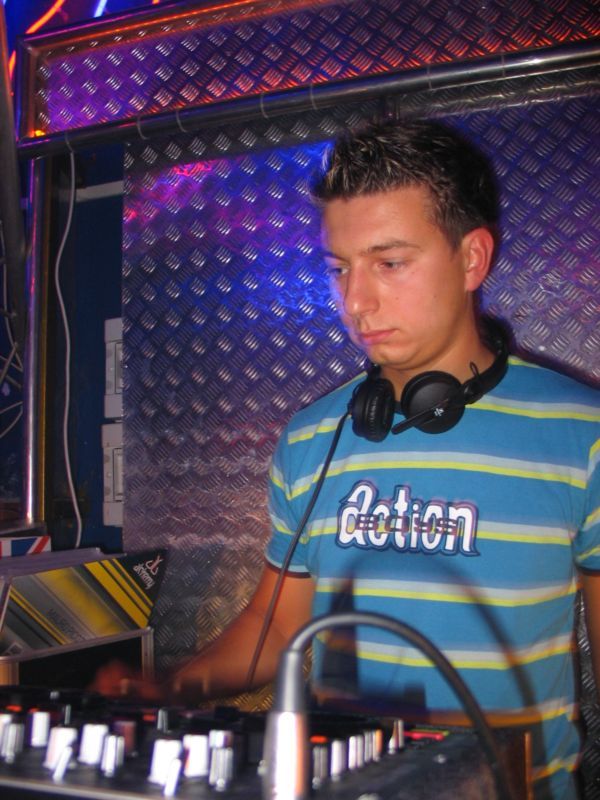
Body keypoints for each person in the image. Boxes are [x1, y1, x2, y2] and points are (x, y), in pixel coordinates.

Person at [94, 119, 600, 800]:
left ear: (473, 258)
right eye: (340, 268)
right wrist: (168, 689)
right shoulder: (312, 438)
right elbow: (276, 626)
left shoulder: (582, 433)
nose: (356, 302)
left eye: (389, 263)